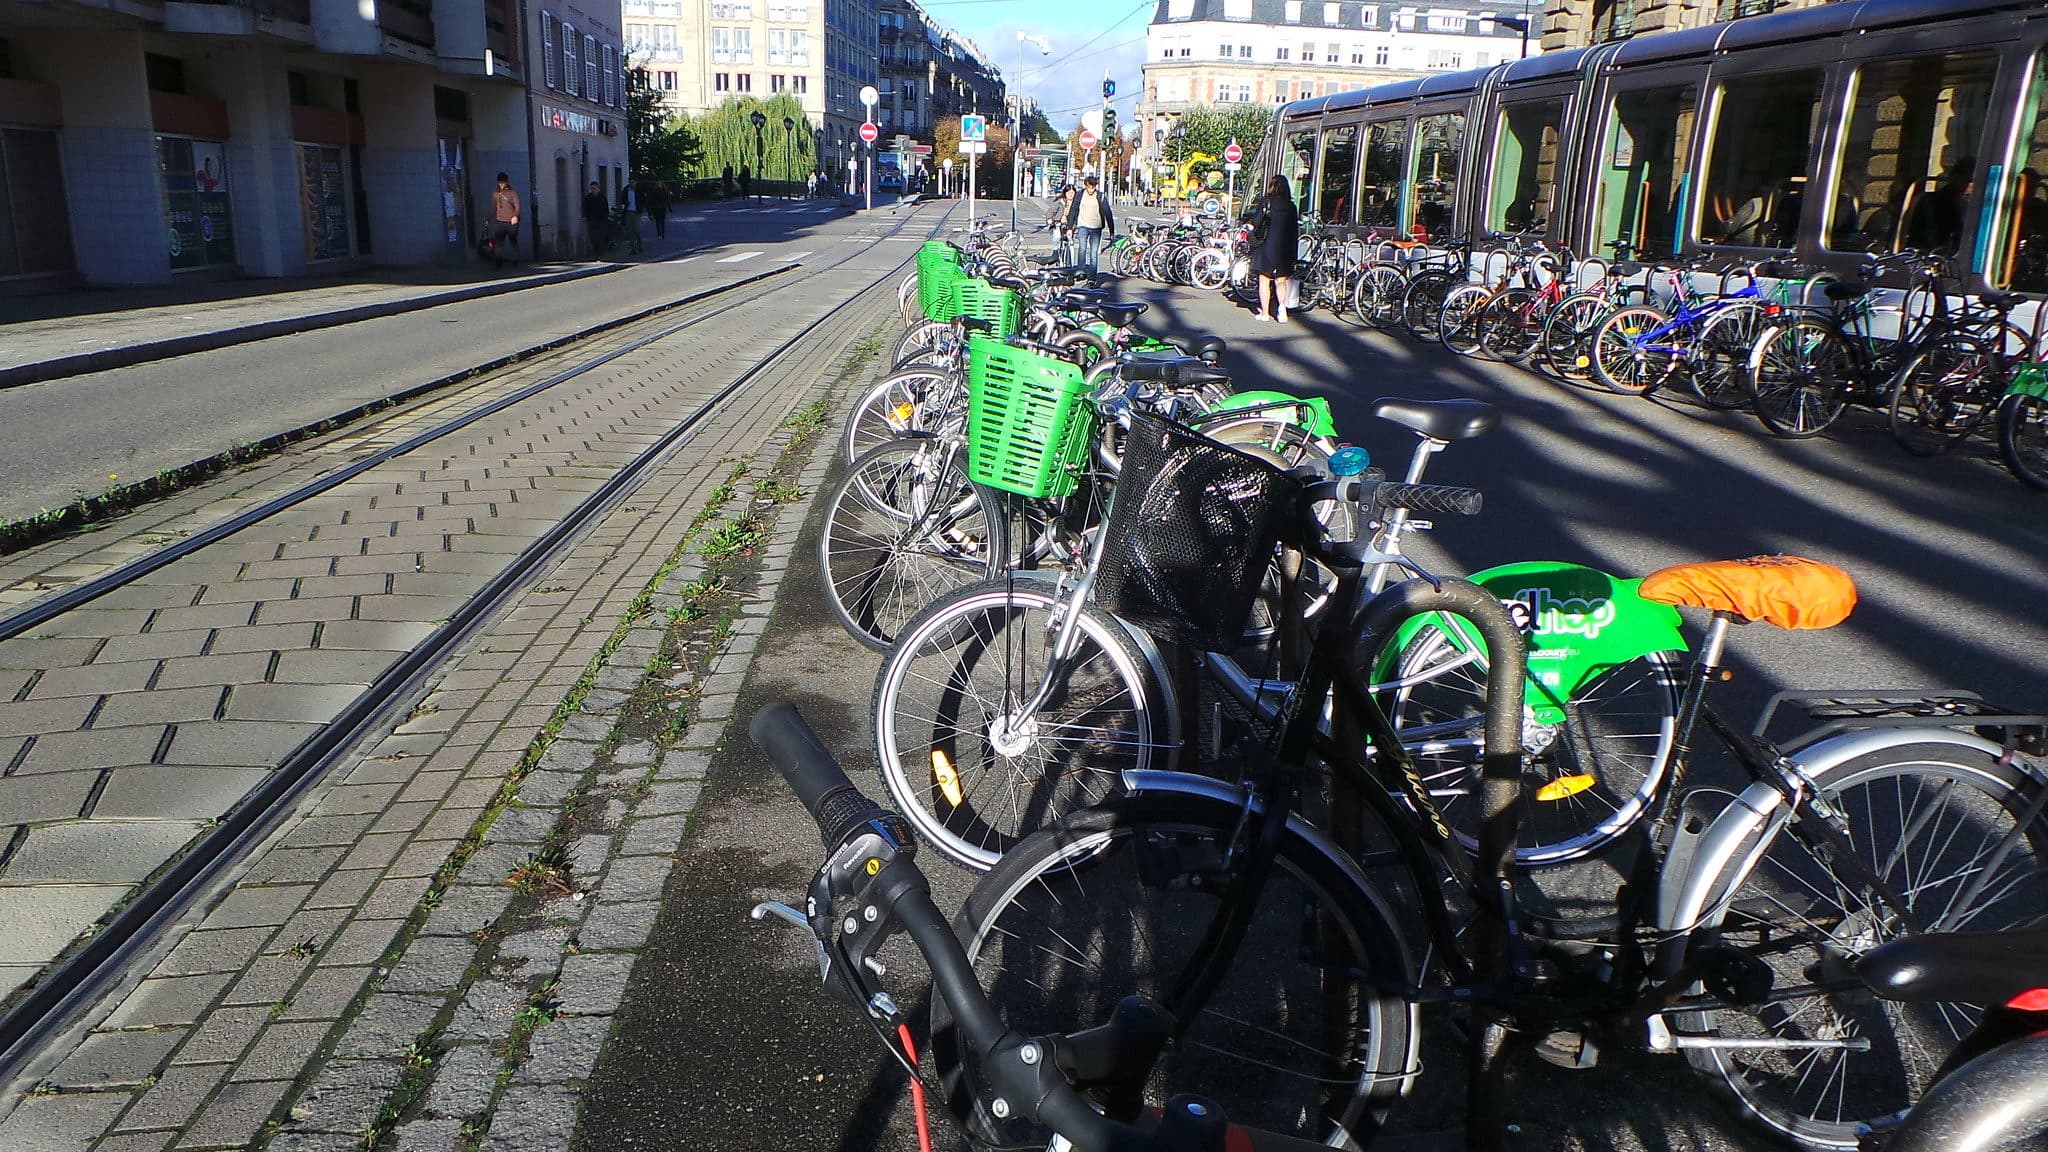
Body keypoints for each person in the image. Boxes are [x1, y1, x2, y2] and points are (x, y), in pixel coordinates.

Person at [1246, 173, 1300, 323]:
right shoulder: (1291, 206)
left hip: (1267, 246)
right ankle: (1282, 308)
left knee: (1264, 280)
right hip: (1283, 249)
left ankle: (1265, 313)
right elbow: (1294, 230)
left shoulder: (1267, 202)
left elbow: (1256, 221)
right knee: (1281, 281)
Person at [1065, 175, 1114, 272]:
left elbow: (1108, 213)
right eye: (1089, 187)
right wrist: (1070, 228)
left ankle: (1092, 276)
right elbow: (1073, 210)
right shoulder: (1080, 195)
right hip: (1083, 225)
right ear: (1086, 186)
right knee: (1082, 249)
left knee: (1093, 253)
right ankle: (1080, 272)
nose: (1091, 190)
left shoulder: (1101, 196)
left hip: (1096, 227)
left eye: (1093, 187)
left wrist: (1112, 231)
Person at [486, 172, 521, 266]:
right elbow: (493, 208)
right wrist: (488, 218)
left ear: (506, 182)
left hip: (511, 222)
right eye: (500, 183)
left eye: (503, 183)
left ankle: (515, 262)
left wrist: (515, 216)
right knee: (498, 243)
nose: (501, 184)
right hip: (500, 221)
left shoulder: (512, 193)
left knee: (513, 241)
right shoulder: (496, 194)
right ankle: (498, 262)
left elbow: (517, 206)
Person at [582, 181, 611, 257]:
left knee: (600, 237)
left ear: (598, 189)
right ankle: (595, 252)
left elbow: (606, 209)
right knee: (592, 238)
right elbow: (585, 208)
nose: (593, 190)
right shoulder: (588, 198)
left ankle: (600, 253)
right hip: (591, 220)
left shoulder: (602, 198)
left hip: (600, 220)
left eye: (594, 188)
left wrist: (605, 218)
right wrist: (585, 216)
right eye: (591, 188)